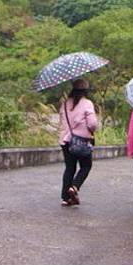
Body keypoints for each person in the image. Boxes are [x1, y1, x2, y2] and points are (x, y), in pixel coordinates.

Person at [58, 77, 98, 207]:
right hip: (81, 141)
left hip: (65, 140)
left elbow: (62, 121)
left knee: (70, 168)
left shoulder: (64, 104)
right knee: (86, 166)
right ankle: (74, 187)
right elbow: (92, 124)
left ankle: (65, 198)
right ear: (85, 91)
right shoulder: (87, 103)